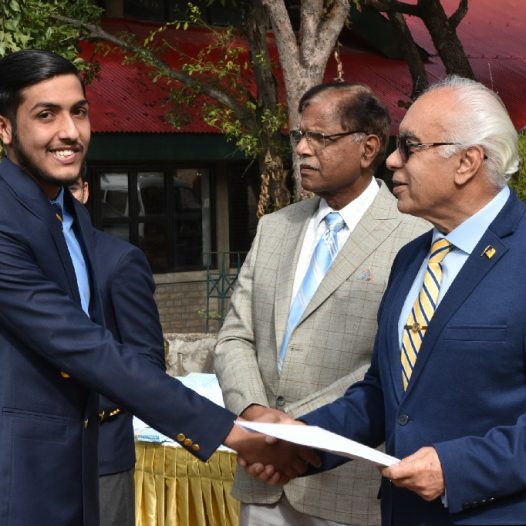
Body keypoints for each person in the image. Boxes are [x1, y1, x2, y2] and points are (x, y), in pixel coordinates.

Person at [0, 49, 317, 525]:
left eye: (79, 112)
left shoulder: (68, 213)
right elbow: (84, 346)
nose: (70, 132)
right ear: (5, 128)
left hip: (80, 467)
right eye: (46, 115)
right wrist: (230, 432)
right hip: (18, 476)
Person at [276, 76, 526, 525]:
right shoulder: (411, 259)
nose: (391, 160)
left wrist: (458, 468)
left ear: (466, 162)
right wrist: (307, 438)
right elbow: (386, 394)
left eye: (409, 146)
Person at [214, 82, 428, 525]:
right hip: (263, 477)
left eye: (320, 137)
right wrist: (255, 414)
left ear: (369, 148)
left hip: (347, 482)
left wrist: (296, 431)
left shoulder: (416, 234)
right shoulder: (275, 227)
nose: (302, 149)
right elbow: (235, 336)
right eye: (299, 135)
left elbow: (396, 362)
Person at [69, 175, 165, 526]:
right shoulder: (20, 261)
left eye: (70, 188)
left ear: (85, 191)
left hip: (101, 449)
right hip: (29, 454)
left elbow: (148, 364)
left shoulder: (119, 261)